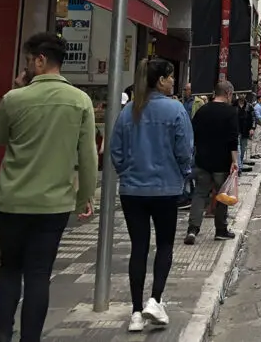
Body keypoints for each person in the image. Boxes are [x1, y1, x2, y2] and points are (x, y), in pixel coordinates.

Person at [0, 33, 97, 342]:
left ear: (39, 60)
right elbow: (88, 156)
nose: (27, 66)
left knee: (9, 268)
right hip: (54, 204)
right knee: (39, 274)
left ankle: (1, 334)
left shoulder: (14, 98)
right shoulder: (80, 101)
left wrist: (16, 91)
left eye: (28, 60)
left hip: (10, 200)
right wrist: (85, 196)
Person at [110, 58, 193, 332]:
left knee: (139, 248)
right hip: (166, 188)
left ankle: (135, 312)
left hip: (132, 190)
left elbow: (116, 151)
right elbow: (184, 150)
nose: (173, 83)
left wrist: (128, 172)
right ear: (161, 80)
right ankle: (155, 300)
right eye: (170, 78)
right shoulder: (175, 109)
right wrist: (184, 174)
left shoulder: (129, 111)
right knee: (165, 245)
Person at [185, 81, 239, 245]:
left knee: (200, 194)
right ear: (228, 93)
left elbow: (193, 134)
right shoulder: (231, 112)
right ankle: (220, 230)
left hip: (202, 160)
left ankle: (193, 229)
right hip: (222, 162)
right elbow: (232, 139)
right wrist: (235, 161)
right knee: (222, 195)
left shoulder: (202, 110)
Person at [235, 95, 254, 172]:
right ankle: (239, 165)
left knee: (243, 149)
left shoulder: (249, 106)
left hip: (246, 130)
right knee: (238, 148)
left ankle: (241, 163)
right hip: (236, 130)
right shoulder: (233, 105)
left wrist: (252, 128)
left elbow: (253, 118)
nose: (242, 95)